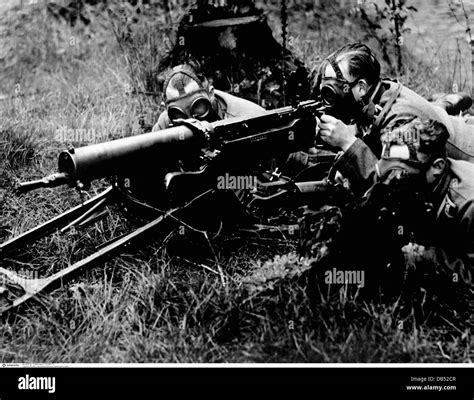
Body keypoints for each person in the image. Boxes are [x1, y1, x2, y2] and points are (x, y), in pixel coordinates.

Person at [314, 43, 474, 195]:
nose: (330, 97)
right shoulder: (376, 92)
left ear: (361, 87)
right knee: (438, 109)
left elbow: (391, 188)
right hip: (440, 121)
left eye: (335, 87)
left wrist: (348, 144)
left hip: (467, 158)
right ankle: (448, 103)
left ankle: (449, 104)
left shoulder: (402, 119)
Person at [374, 117, 474, 287]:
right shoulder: (422, 182)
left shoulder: (468, 203)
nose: (392, 180)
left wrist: (425, 256)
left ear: (437, 166)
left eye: (402, 173)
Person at [152, 63, 265, 132]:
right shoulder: (166, 122)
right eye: (179, 112)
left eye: (197, 106)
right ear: (167, 110)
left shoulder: (250, 117)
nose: (191, 120)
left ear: (211, 94)